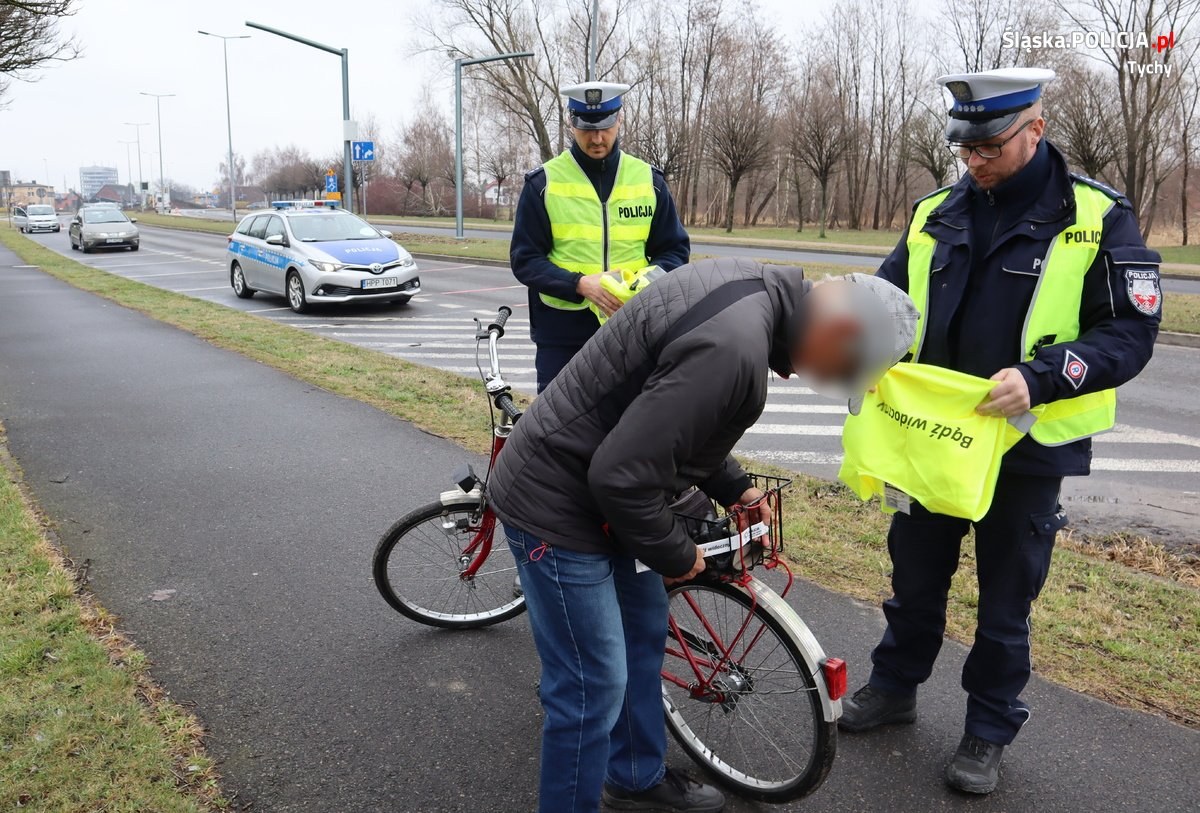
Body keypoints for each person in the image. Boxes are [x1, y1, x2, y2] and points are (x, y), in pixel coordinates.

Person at [488, 258, 918, 813]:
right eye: (840, 371)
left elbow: (678, 425)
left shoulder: (750, 289)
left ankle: (636, 778)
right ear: (840, 331)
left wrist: (736, 488)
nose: (826, 382)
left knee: (641, 644)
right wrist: (677, 553)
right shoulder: (732, 348)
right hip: (559, 508)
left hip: (606, 500)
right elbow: (621, 476)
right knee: (590, 688)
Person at [840, 67, 1162, 795]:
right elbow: (885, 304)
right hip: (931, 440)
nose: (974, 161)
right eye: (965, 148)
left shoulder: (1097, 217)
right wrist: (854, 344)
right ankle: (894, 686)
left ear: (1036, 129)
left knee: (1006, 595)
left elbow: (1132, 332)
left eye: (989, 146)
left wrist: (1043, 375)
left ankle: (987, 728)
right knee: (915, 575)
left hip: (1026, 446)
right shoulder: (934, 213)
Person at [510, 80, 690, 392]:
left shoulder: (650, 182)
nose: (597, 137)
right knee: (558, 432)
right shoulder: (543, 184)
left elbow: (675, 251)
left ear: (620, 119)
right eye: (586, 128)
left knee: (629, 431)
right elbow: (525, 260)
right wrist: (579, 284)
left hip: (633, 329)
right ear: (571, 123)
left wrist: (644, 284)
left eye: (606, 126)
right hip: (561, 336)